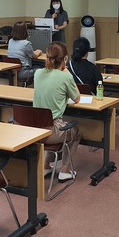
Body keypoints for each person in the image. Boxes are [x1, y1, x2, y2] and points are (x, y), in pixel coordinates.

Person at [33, 42, 81, 182]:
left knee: (50, 124)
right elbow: (77, 98)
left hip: (33, 129)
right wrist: (67, 73)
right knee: (76, 133)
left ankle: (46, 165)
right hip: (51, 131)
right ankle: (65, 170)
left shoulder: (38, 73)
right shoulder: (65, 76)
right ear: (65, 59)